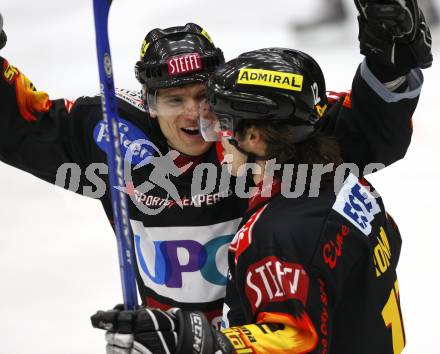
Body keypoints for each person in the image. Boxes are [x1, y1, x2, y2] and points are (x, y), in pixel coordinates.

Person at [0, 0, 431, 335]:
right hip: (167, 338)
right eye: (174, 99)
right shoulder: (111, 135)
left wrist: (389, 62)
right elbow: (20, 127)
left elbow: (365, 134)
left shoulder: (257, 122)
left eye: (203, 96)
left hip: (257, 336)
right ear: (149, 105)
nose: (193, 114)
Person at [91, 47, 408, 354]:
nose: (212, 133)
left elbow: (297, 339)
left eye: (223, 122)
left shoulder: (277, 234)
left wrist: (200, 343)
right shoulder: (346, 182)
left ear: (254, 137)